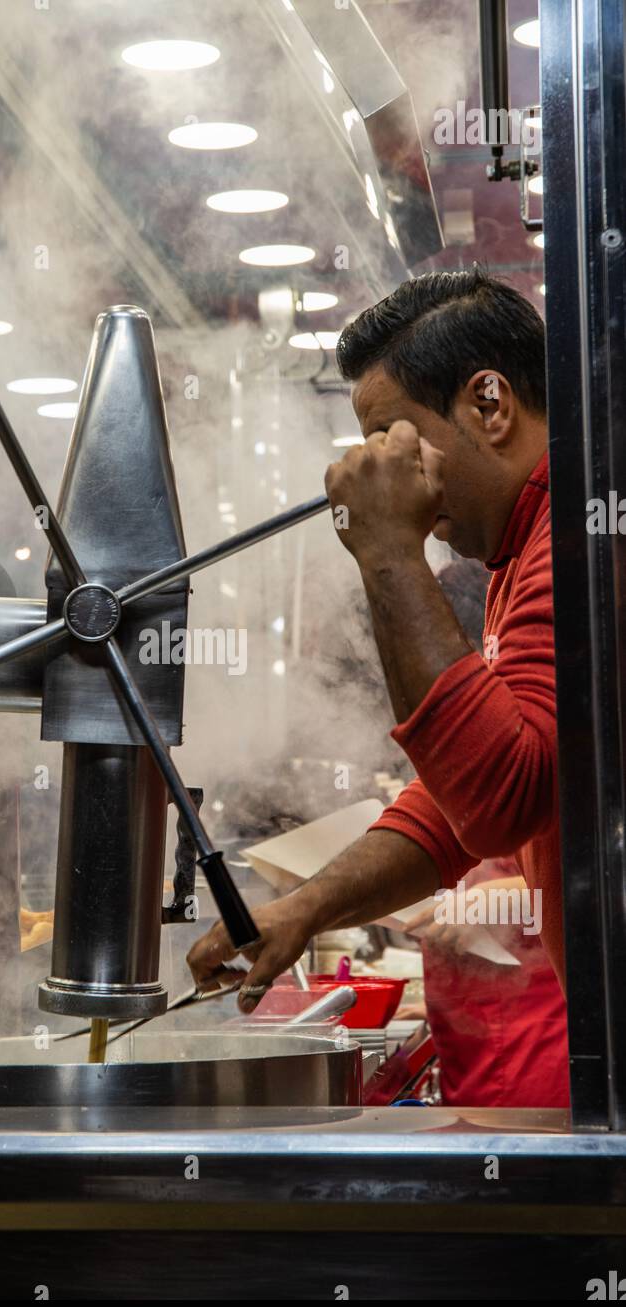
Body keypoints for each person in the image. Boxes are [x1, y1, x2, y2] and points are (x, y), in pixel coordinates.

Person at [188, 267, 564, 1022]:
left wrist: (391, 552)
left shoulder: (581, 535)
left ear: (488, 404)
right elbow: (457, 803)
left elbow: (501, 800)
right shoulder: (515, 551)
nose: (390, 470)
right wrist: (309, 907)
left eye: (395, 440)